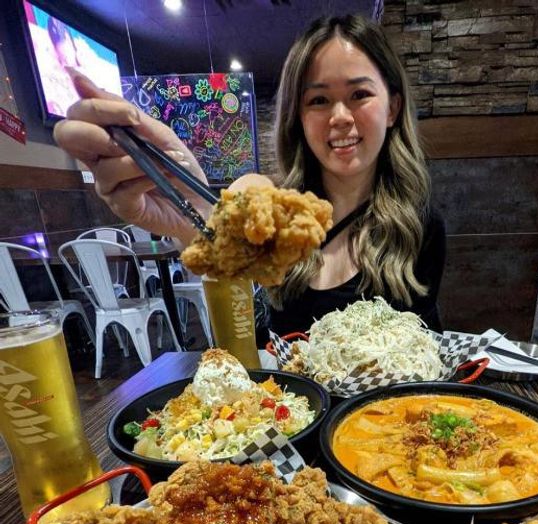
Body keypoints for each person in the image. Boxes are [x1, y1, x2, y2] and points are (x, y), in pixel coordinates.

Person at [53, 15, 446, 337]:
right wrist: (194, 216)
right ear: (298, 117)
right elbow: (248, 337)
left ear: (392, 108)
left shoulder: (418, 226)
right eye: (318, 100)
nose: (340, 117)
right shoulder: (272, 214)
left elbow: (425, 354)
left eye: (359, 95)